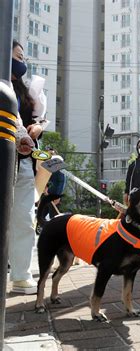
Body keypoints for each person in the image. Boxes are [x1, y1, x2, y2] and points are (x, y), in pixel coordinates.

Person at [7, 40, 48, 294]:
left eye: (23, 57)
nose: (22, 61)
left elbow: (36, 122)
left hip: (22, 163)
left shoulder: (25, 92)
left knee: (24, 217)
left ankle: (21, 275)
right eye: (17, 56)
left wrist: (37, 129)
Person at [36, 151, 67, 231]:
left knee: (53, 215)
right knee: (42, 213)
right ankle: (40, 228)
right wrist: (45, 187)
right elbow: (46, 179)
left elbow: (62, 183)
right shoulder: (49, 168)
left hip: (55, 196)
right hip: (47, 194)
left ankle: (56, 231)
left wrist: (58, 196)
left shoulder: (60, 170)